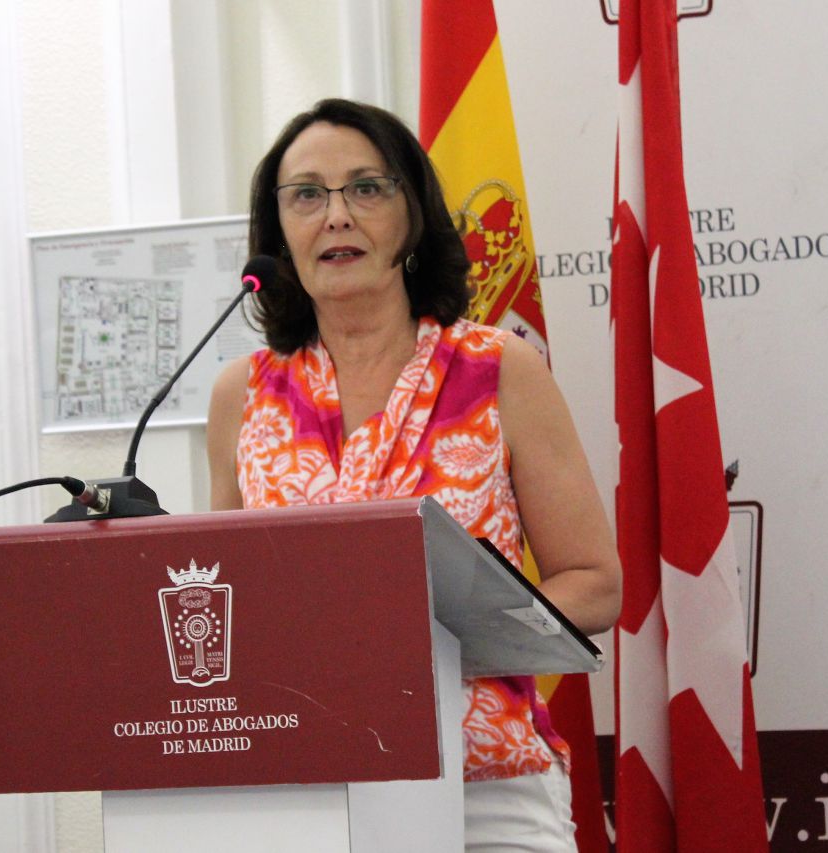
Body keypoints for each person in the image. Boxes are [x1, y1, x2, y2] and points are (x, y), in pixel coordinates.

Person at [207, 98, 622, 852]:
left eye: (367, 188)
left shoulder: (499, 369)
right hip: (306, 790)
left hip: (485, 789)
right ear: (279, 234)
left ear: (411, 218)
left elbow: (594, 582)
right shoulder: (243, 394)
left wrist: (424, 648)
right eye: (307, 194)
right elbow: (231, 596)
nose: (336, 215)